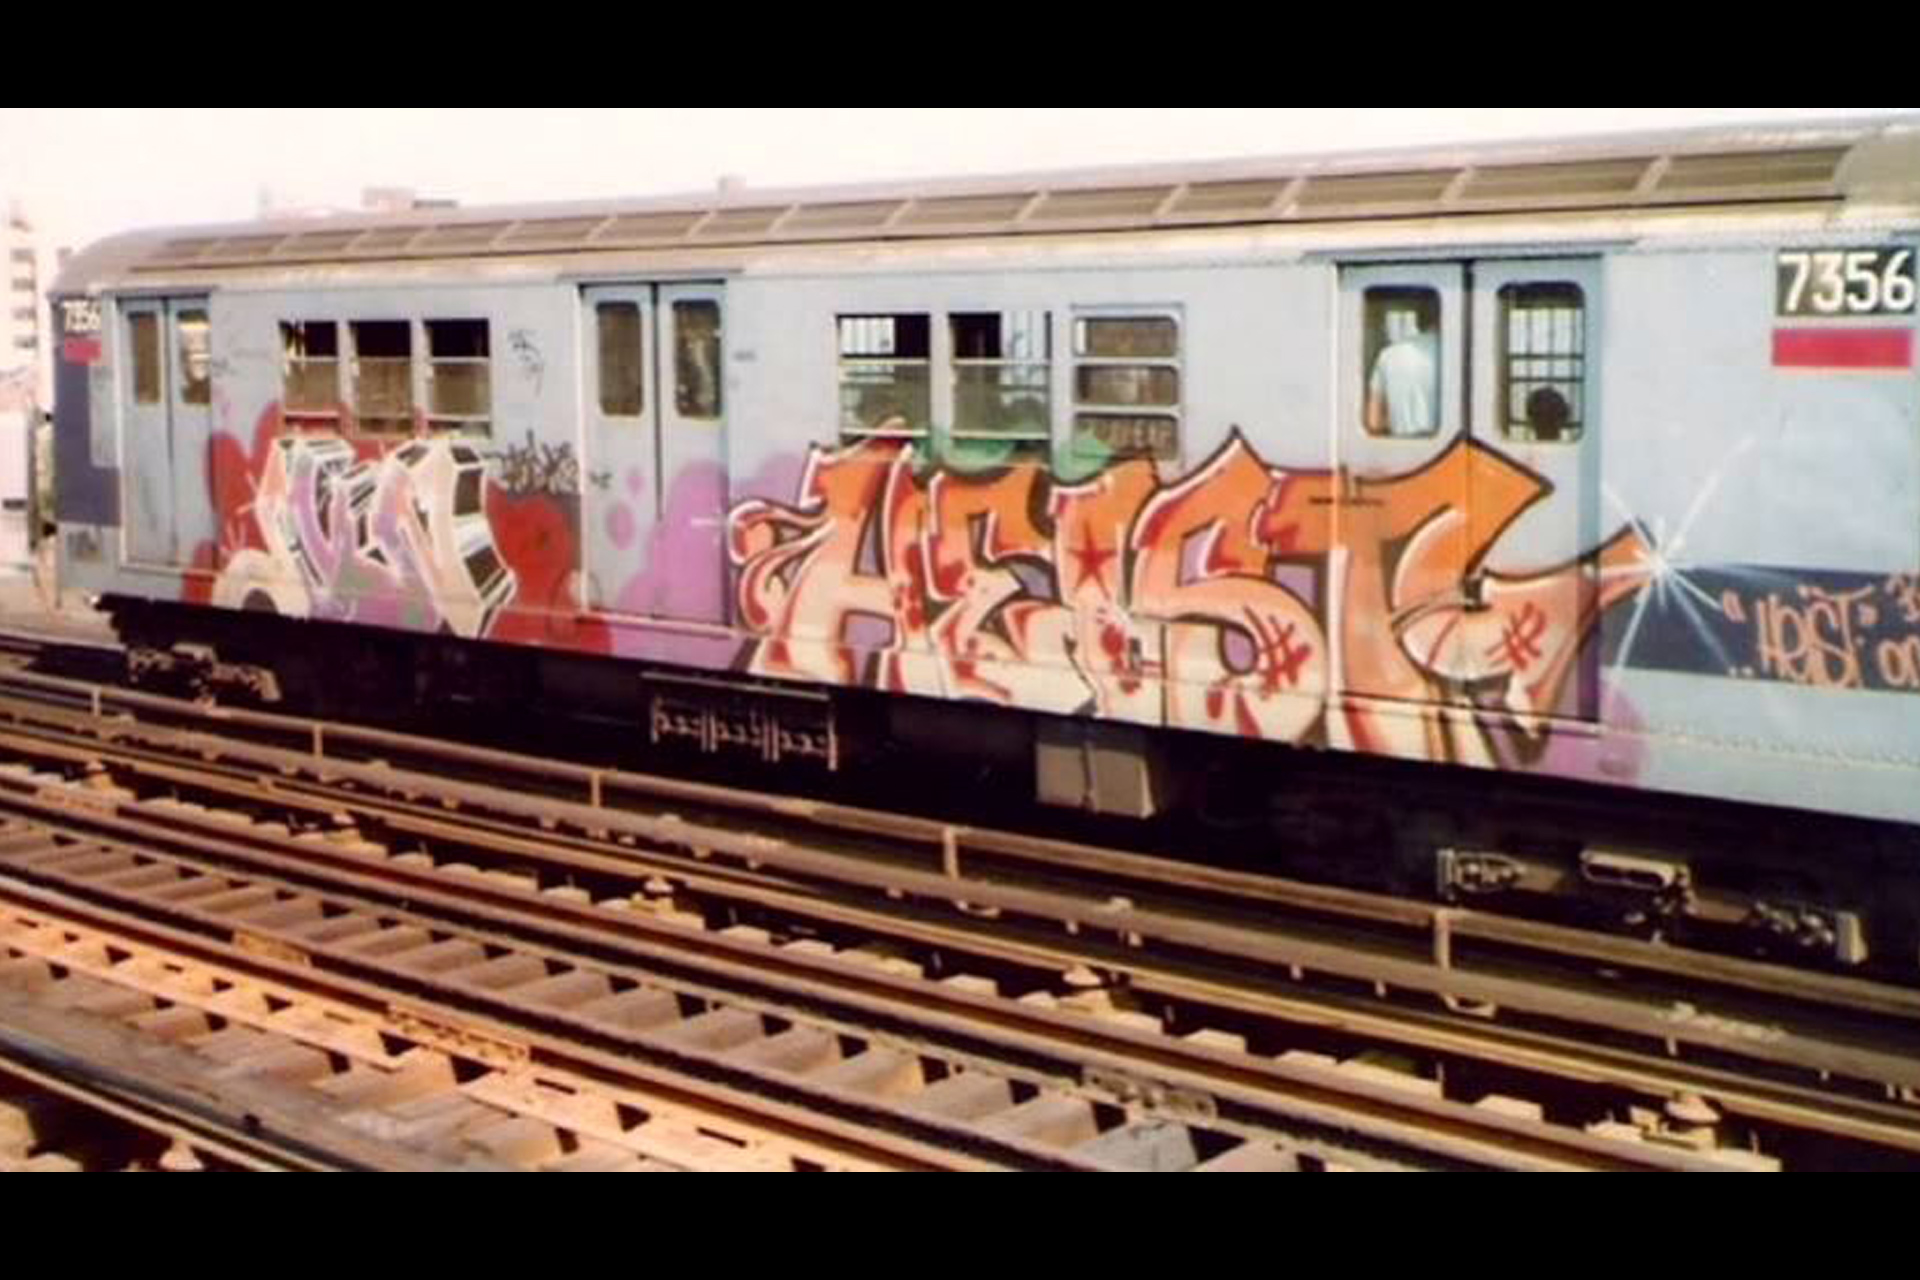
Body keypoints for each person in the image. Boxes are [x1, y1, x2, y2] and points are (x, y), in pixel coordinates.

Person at [1366, 306, 1439, 438]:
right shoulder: (1457, 355)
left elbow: (1373, 421)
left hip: (1400, 445)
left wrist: (1396, 419)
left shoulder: (1388, 354)